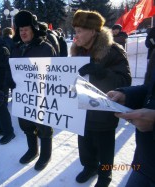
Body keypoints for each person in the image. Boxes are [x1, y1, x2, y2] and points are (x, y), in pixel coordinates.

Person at [71, 10, 132, 187]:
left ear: (93, 31)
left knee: (104, 146)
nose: (77, 36)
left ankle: (105, 176)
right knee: (85, 144)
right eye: (75, 31)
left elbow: (125, 80)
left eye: (80, 31)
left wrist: (101, 73)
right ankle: (89, 167)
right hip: (82, 111)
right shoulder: (77, 52)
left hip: (103, 112)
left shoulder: (113, 51)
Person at [11, 10, 56, 171]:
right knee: (26, 124)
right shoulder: (16, 48)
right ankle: (32, 150)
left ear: (33, 29)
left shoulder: (45, 47)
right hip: (23, 94)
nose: (23, 32)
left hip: (42, 94)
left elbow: (56, 73)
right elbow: (12, 70)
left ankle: (45, 153)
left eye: (26, 29)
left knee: (43, 125)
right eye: (20, 29)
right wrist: (9, 81)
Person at [107, 49, 155, 187]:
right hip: (145, 160)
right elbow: (150, 90)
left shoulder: (115, 51)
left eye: (80, 30)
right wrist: (126, 95)